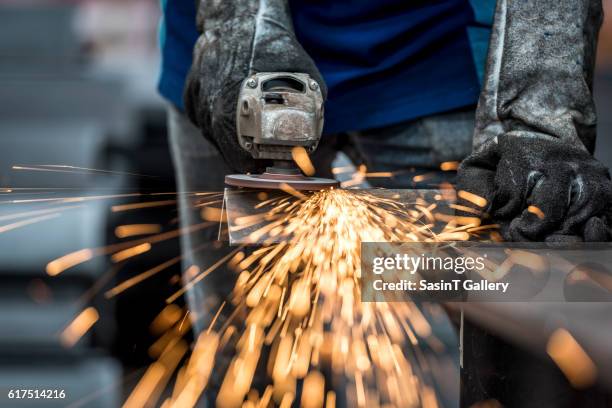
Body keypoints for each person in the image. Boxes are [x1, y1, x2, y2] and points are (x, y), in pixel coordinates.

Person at [158, 0, 611, 405]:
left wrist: (539, 115)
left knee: (455, 351)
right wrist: (236, 25)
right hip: (229, 71)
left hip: (428, 54)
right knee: (245, 357)